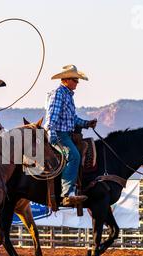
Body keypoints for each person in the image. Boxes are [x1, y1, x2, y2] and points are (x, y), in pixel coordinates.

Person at [44, 65, 97, 207]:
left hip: (67, 132)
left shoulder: (67, 95)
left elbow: (72, 118)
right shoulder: (58, 94)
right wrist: (51, 132)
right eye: (75, 80)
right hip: (60, 133)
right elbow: (52, 116)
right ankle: (67, 194)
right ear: (66, 80)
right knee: (74, 156)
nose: (77, 83)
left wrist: (87, 123)